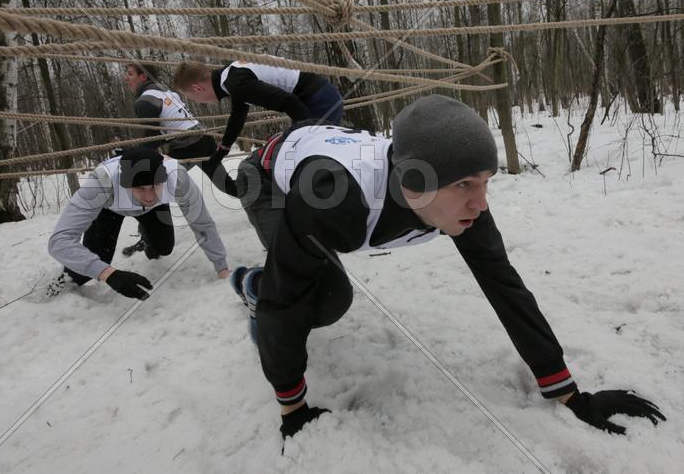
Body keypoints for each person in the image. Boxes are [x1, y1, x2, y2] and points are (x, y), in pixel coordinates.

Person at [230, 95, 665, 441]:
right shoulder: (332, 199)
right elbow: (285, 302)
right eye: (464, 185)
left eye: (485, 181)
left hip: (332, 145)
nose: (481, 202)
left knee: (313, 286)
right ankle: (254, 285)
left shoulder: (462, 202)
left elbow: (503, 284)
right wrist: (293, 408)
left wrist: (569, 393)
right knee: (323, 297)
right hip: (271, 179)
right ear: (411, 184)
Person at [48, 148, 229, 300]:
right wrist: (108, 274)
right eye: (140, 188)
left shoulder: (178, 177)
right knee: (87, 269)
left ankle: (145, 235)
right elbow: (59, 241)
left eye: (155, 186)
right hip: (109, 209)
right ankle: (57, 286)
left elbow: (203, 224)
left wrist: (222, 268)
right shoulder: (101, 183)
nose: (149, 196)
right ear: (126, 185)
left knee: (163, 248)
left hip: (154, 210)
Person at [172, 59, 344, 170]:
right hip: (314, 97)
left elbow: (289, 102)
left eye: (192, 98)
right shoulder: (230, 77)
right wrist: (223, 150)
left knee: (313, 158)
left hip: (319, 99)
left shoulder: (236, 83)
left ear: (198, 88)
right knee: (304, 157)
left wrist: (307, 137)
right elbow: (238, 116)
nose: (198, 102)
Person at [125, 63, 237, 198]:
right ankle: (264, 191)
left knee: (152, 184)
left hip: (188, 145)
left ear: (143, 77)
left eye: (130, 74)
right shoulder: (166, 92)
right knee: (227, 185)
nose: (126, 78)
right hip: (204, 139)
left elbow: (153, 139)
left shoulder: (145, 101)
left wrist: (132, 156)